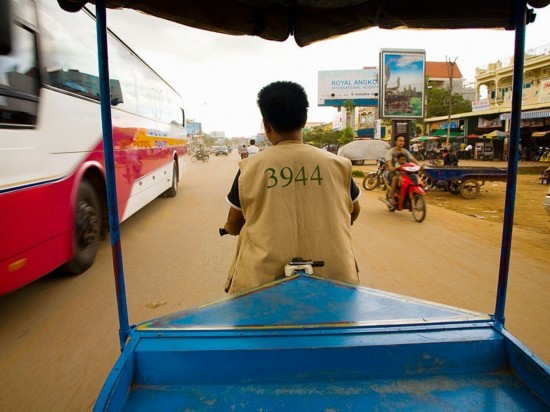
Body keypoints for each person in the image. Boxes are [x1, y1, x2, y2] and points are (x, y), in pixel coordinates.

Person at [223, 81, 361, 294]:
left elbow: (234, 221)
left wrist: (230, 229)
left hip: (263, 284)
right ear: (304, 120)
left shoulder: (249, 168)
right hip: (335, 278)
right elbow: (355, 210)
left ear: (266, 125)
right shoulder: (337, 165)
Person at [386, 135, 420, 204]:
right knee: (395, 179)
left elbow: (412, 159)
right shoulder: (391, 151)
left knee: (413, 177)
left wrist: (419, 165)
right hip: (393, 172)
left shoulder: (405, 151)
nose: (402, 142)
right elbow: (389, 161)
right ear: (396, 142)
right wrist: (391, 167)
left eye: (403, 141)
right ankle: (392, 197)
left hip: (404, 171)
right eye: (400, 140)